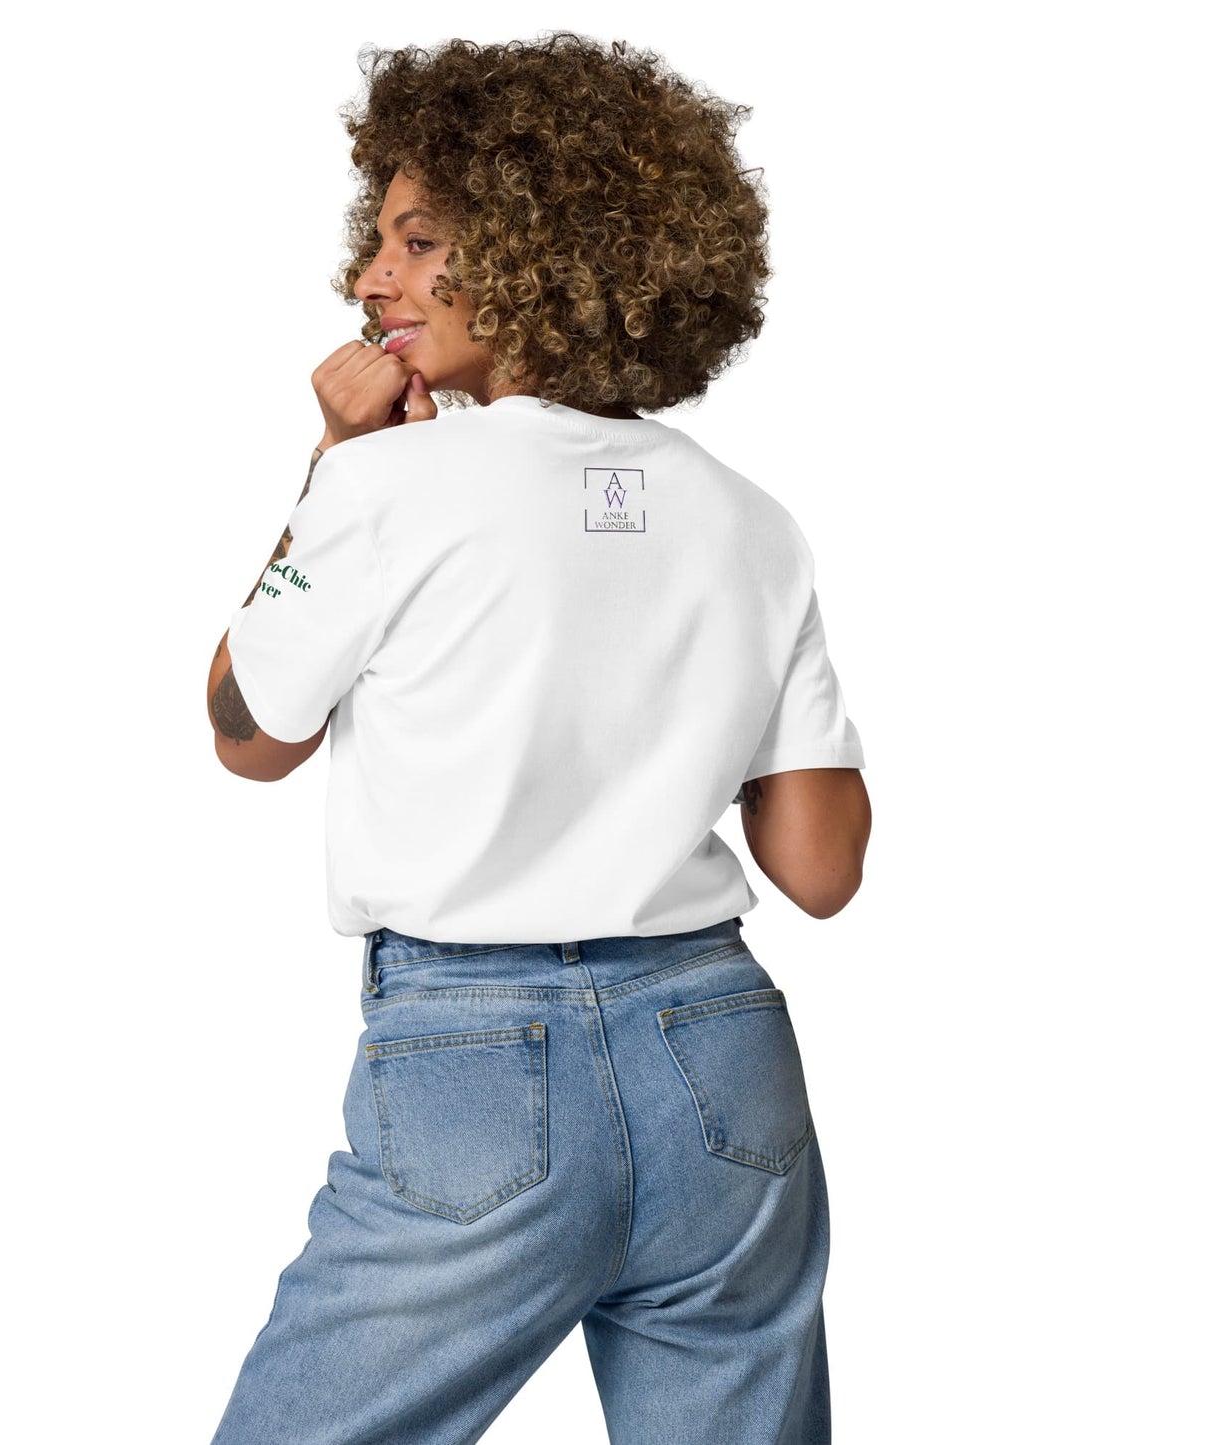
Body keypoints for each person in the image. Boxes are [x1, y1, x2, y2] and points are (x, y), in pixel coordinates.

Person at [203, 32, 871, 1445]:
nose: (366, 279)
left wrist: (329, 466)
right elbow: (816, 867)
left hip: (476, 1058)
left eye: (415, 239)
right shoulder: (750, 520)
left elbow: (249, 730)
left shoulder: (384, 485)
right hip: (724, 1059)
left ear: (534, 246)